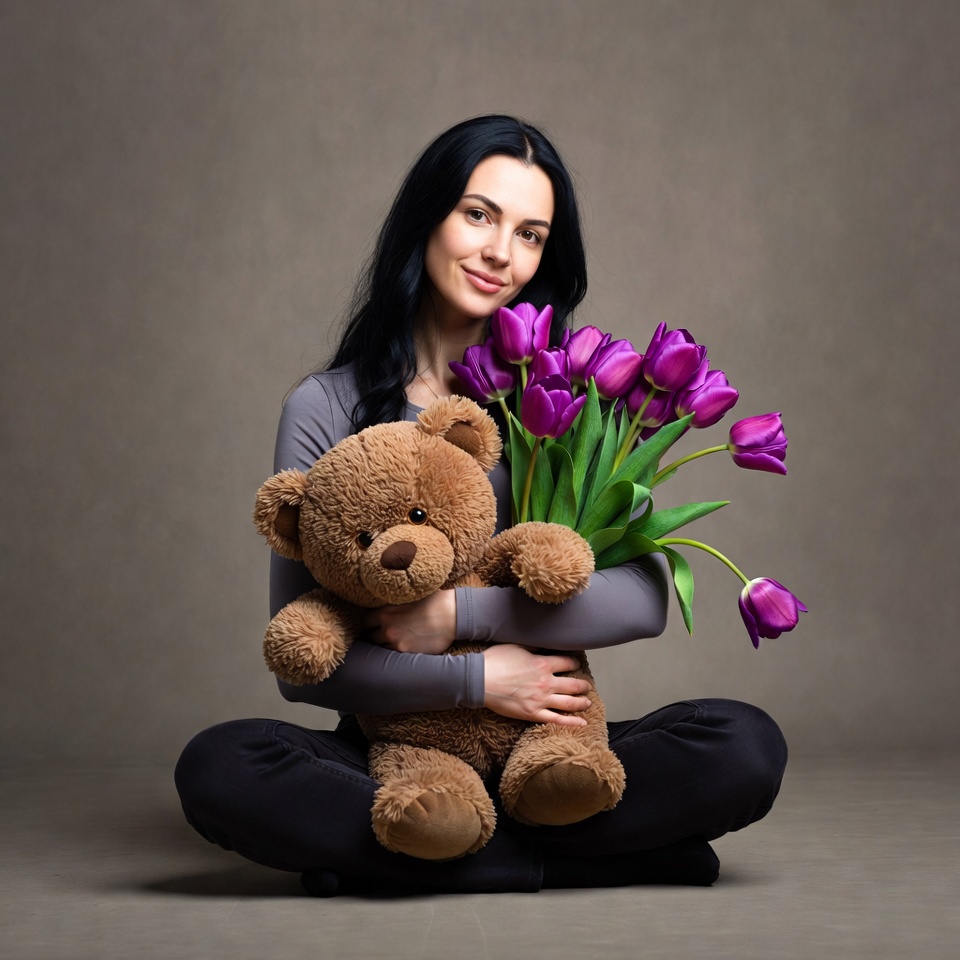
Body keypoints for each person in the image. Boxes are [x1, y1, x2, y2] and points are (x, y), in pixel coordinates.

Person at [175, 115, 787, 896]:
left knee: (744, 745)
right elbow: (303, 669)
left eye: (531, 235)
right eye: (479, 214)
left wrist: (464, 620)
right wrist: (475, 682)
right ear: (425, 218)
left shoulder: (565, 402)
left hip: (549, 738)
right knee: (221, 768)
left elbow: (642, 602)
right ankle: (605, 857)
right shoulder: (325, 407)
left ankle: (424, 858)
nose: (503, 252)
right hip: (397, 747)